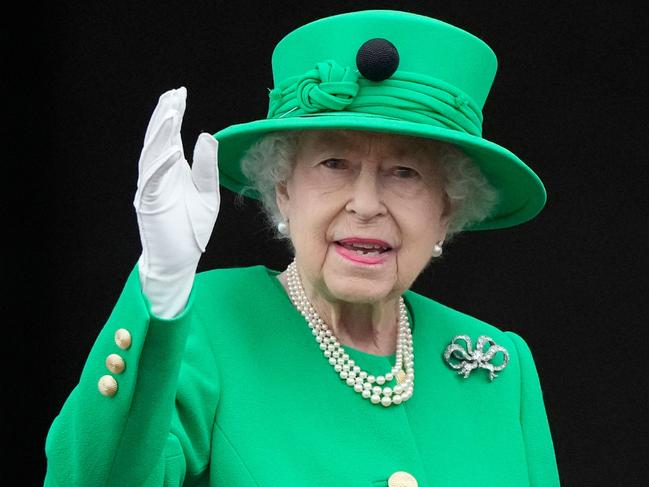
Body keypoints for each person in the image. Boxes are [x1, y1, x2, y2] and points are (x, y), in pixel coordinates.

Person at [44, 9, 560, 487]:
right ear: (283, 191)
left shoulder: (499, 364)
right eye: (333, 164)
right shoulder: (206, 325)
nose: (365, 204)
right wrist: (159, 289)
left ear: (447, 210)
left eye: (404, 172)